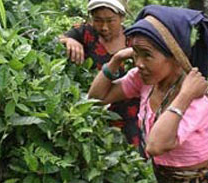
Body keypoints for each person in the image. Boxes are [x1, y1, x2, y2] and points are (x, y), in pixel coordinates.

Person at [87, 5, 208, 183]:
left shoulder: (196, 98)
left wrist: (185, 95)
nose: (139, 63)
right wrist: (116, 59)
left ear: (176, 57)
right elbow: (96, 99)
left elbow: (154, 146)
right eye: (135, 53)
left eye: (147, 55)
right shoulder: (144, 81)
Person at [59, 0, 144, 154]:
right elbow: (59, 39)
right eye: (98, 20)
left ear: (122, 17)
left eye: (110, 21)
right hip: (95, 115)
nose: (104, 27)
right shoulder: (85, 33)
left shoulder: (134, 40)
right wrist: (70, 40)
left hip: (131, 117)